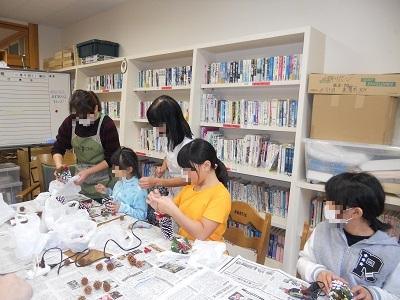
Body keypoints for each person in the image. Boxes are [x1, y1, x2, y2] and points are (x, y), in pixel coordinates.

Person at [297, 172, 400, 300]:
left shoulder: (391, 252)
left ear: (356, 212)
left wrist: (373, 294)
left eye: (333, 204)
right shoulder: (323, 230)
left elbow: (395, 295)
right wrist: (318, 272)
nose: (327, 206)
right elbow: (303, 261)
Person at [147, 139, 231, 241]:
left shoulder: (221, 195)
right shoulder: (190, 187)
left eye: (188, 170)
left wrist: (173, 210)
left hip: (209, 253)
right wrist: (159, 207)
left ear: (206, 166)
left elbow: (201, 234)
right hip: (186, 247)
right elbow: (168, 214)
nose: (185, 175)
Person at [52, 90, 120, 200]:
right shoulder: (71, 122)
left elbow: (112, 158)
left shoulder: (107, 125)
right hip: (79, 185)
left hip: (103, 185)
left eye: (88, 117)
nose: (85, 122)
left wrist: (88, 172)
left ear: (96, 108)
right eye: (81, 118)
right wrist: (59, 166)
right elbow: (58, 147)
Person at [138, 95, 193, 195]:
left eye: (158, 126)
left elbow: (187, 178)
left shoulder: (188, 146)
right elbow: (169, 155)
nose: (157, 130)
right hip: (174, 193)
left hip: (187, 196)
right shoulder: (169, 137)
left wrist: (158, 181)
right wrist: (163, 167)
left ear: (170, 122)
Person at [95, 147, 147, 220]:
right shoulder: (120, 181)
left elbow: (142, 216)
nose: (113, 171)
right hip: (116, 221)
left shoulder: (140, 190)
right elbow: (118, 197)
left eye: (116, 169)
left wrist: (122, 208)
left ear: (129, 169)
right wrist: (106, 191)